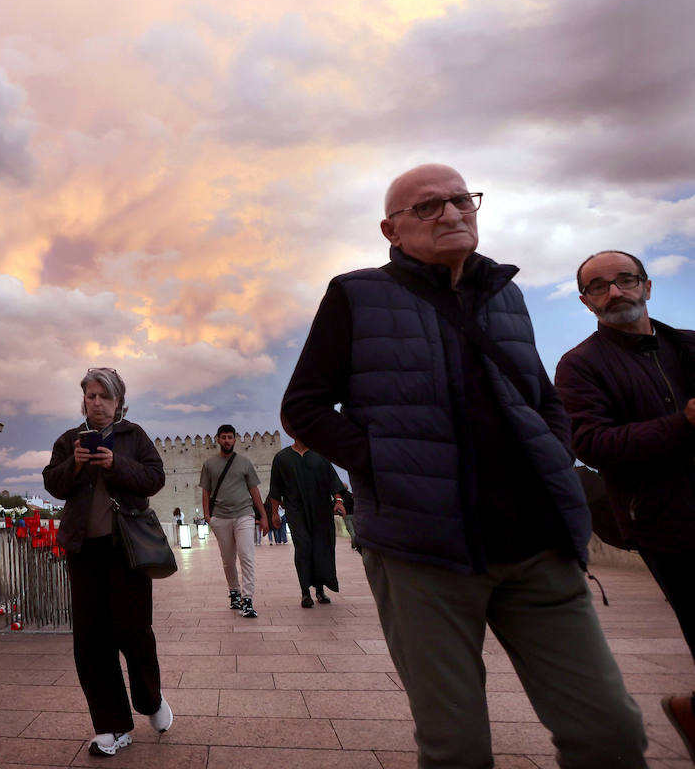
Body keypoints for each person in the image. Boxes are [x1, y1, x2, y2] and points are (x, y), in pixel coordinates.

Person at [281, 164, 647, 768]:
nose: (451, 214)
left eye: (460, 201)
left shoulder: (506, 294)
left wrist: (553, 454)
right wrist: (385, 466)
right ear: (390, 230)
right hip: (422, 554)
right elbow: (304, 407)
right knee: (457, 747)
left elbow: (540, 398)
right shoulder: (356, 294)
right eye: (428, 208)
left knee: (610, 732)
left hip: (536, 548)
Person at [555, 249, 695, 760]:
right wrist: (682, 424)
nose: (615, 292)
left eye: (625, 280)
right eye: (599, 286)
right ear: (586, 301)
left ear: (647, 286)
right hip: (667, 524)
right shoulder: (580, 366)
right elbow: (591, 445)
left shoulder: (689, 346)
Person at [43, 367, 170, 757]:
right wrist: (75, 465)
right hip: (85, 552)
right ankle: (112, 726)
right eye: (90, 395)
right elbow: (53, 483)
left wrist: (116, 463)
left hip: (126, 550)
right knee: (91, 641)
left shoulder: (134, 437)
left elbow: (154, 478)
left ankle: (149, 700)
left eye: (104, 396)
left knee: (134, 632)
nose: (96, 402)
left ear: (118, 402)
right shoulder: (69, 441)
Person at [267, 434, 345, 607]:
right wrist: (274, 514)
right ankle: (305, 592)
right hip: (296, 511)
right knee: (303, 547)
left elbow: (333, 481)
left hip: (321, 511)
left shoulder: (321, 455)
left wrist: (338, 501)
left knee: (320, 547)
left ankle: (320, 590)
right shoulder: (282, 458)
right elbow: (275, 488)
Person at [199, 424, 268, 616]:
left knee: (247, 556)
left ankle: (248, 600)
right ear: (218, 439)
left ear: (235, 439)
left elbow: (254, 490)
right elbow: (205, 491)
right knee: (228, 561)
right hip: (220, 517)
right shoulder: (209, 464)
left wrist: (263, 516)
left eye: (230, 437)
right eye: (224, 437)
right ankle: (234, 593)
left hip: (244, 514)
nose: (227, 440)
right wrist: (207, 516)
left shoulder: (244, 463)